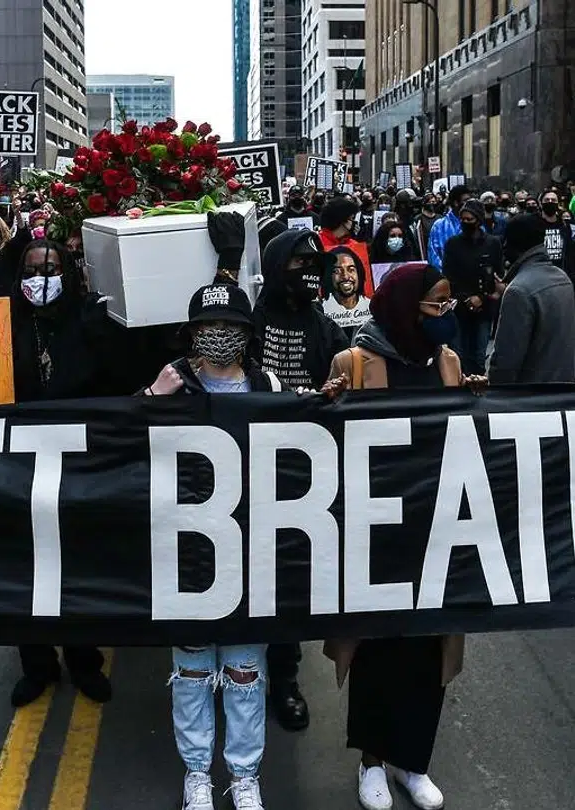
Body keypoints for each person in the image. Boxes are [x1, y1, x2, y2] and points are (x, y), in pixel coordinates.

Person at [325, 262, 472, 810]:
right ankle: (371, 762)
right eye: (436, 304)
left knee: (426, 650)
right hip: (376, 537)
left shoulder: (449, 363)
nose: (446, 315)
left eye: (448, 303)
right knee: (377, 650)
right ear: (405, 307)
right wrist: (327, 403)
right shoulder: (355, 362)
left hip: (435, 535)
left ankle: (414, 762)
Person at [143, 282, 278, 810]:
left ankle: (245, 775)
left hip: (250, 550)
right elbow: (119, 440)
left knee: (246, 669)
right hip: (187, 554)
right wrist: (153, 397)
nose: (217, 336)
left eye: (229, 328)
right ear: (191, 333)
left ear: (246, 335)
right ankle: (197, 772)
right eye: (206, 327)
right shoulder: (172, 382)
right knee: (194, 669)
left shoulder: (267, 383)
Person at [6, 238, 120, 708]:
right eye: (32, 270)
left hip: (77, 464)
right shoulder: (6, 325)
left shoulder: (87, 319)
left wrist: (100, 333)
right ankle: (37, 665)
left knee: (76, 569)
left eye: (51, 269)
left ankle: (83, 660)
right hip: (17, 465)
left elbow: (111, 380)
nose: (41, 279)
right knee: (23, 572)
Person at [247, 228, 348, 731]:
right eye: (299, 262)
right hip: (245, 470)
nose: (310, 271)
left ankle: (284, 680)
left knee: (286, 584)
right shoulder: (251, 323)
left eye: (316, 262)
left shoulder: (326, 328)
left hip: (302, 480)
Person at [487, 214, 575, 383]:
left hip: (528, 398)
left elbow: (506, 361)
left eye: (507, 241)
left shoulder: (519, 291)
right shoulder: (562, 278)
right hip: (562, 390)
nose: (504, 247)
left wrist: (495, 395)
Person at [441, 199, 501, 373]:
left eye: (470, 220)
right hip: (459, 307)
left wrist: (481, 298)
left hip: (484, 307)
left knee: (479, 355)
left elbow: (497, 276)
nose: (466, 223)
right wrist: (466, 299)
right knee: (458, 356)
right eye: (463, 220)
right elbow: (448, 276)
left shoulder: (492, 243)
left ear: (479, 220)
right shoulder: (453, 244)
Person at [317, 197, 373, 297]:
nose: (354, 223)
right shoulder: (316, 244)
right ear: (341, 220)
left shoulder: (354, 245)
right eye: (351, 219)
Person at [322, 247, 372, 336]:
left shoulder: (372, 307)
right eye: (337, 271)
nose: (345, 276)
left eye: (351, 270)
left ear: (359, 273)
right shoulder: (321, 312)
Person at [426, 185, 473, 272]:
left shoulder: (476, 224)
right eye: (466, 201)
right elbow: (433, 256)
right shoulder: (439, 226)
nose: (469, 204)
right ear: (456, 202)